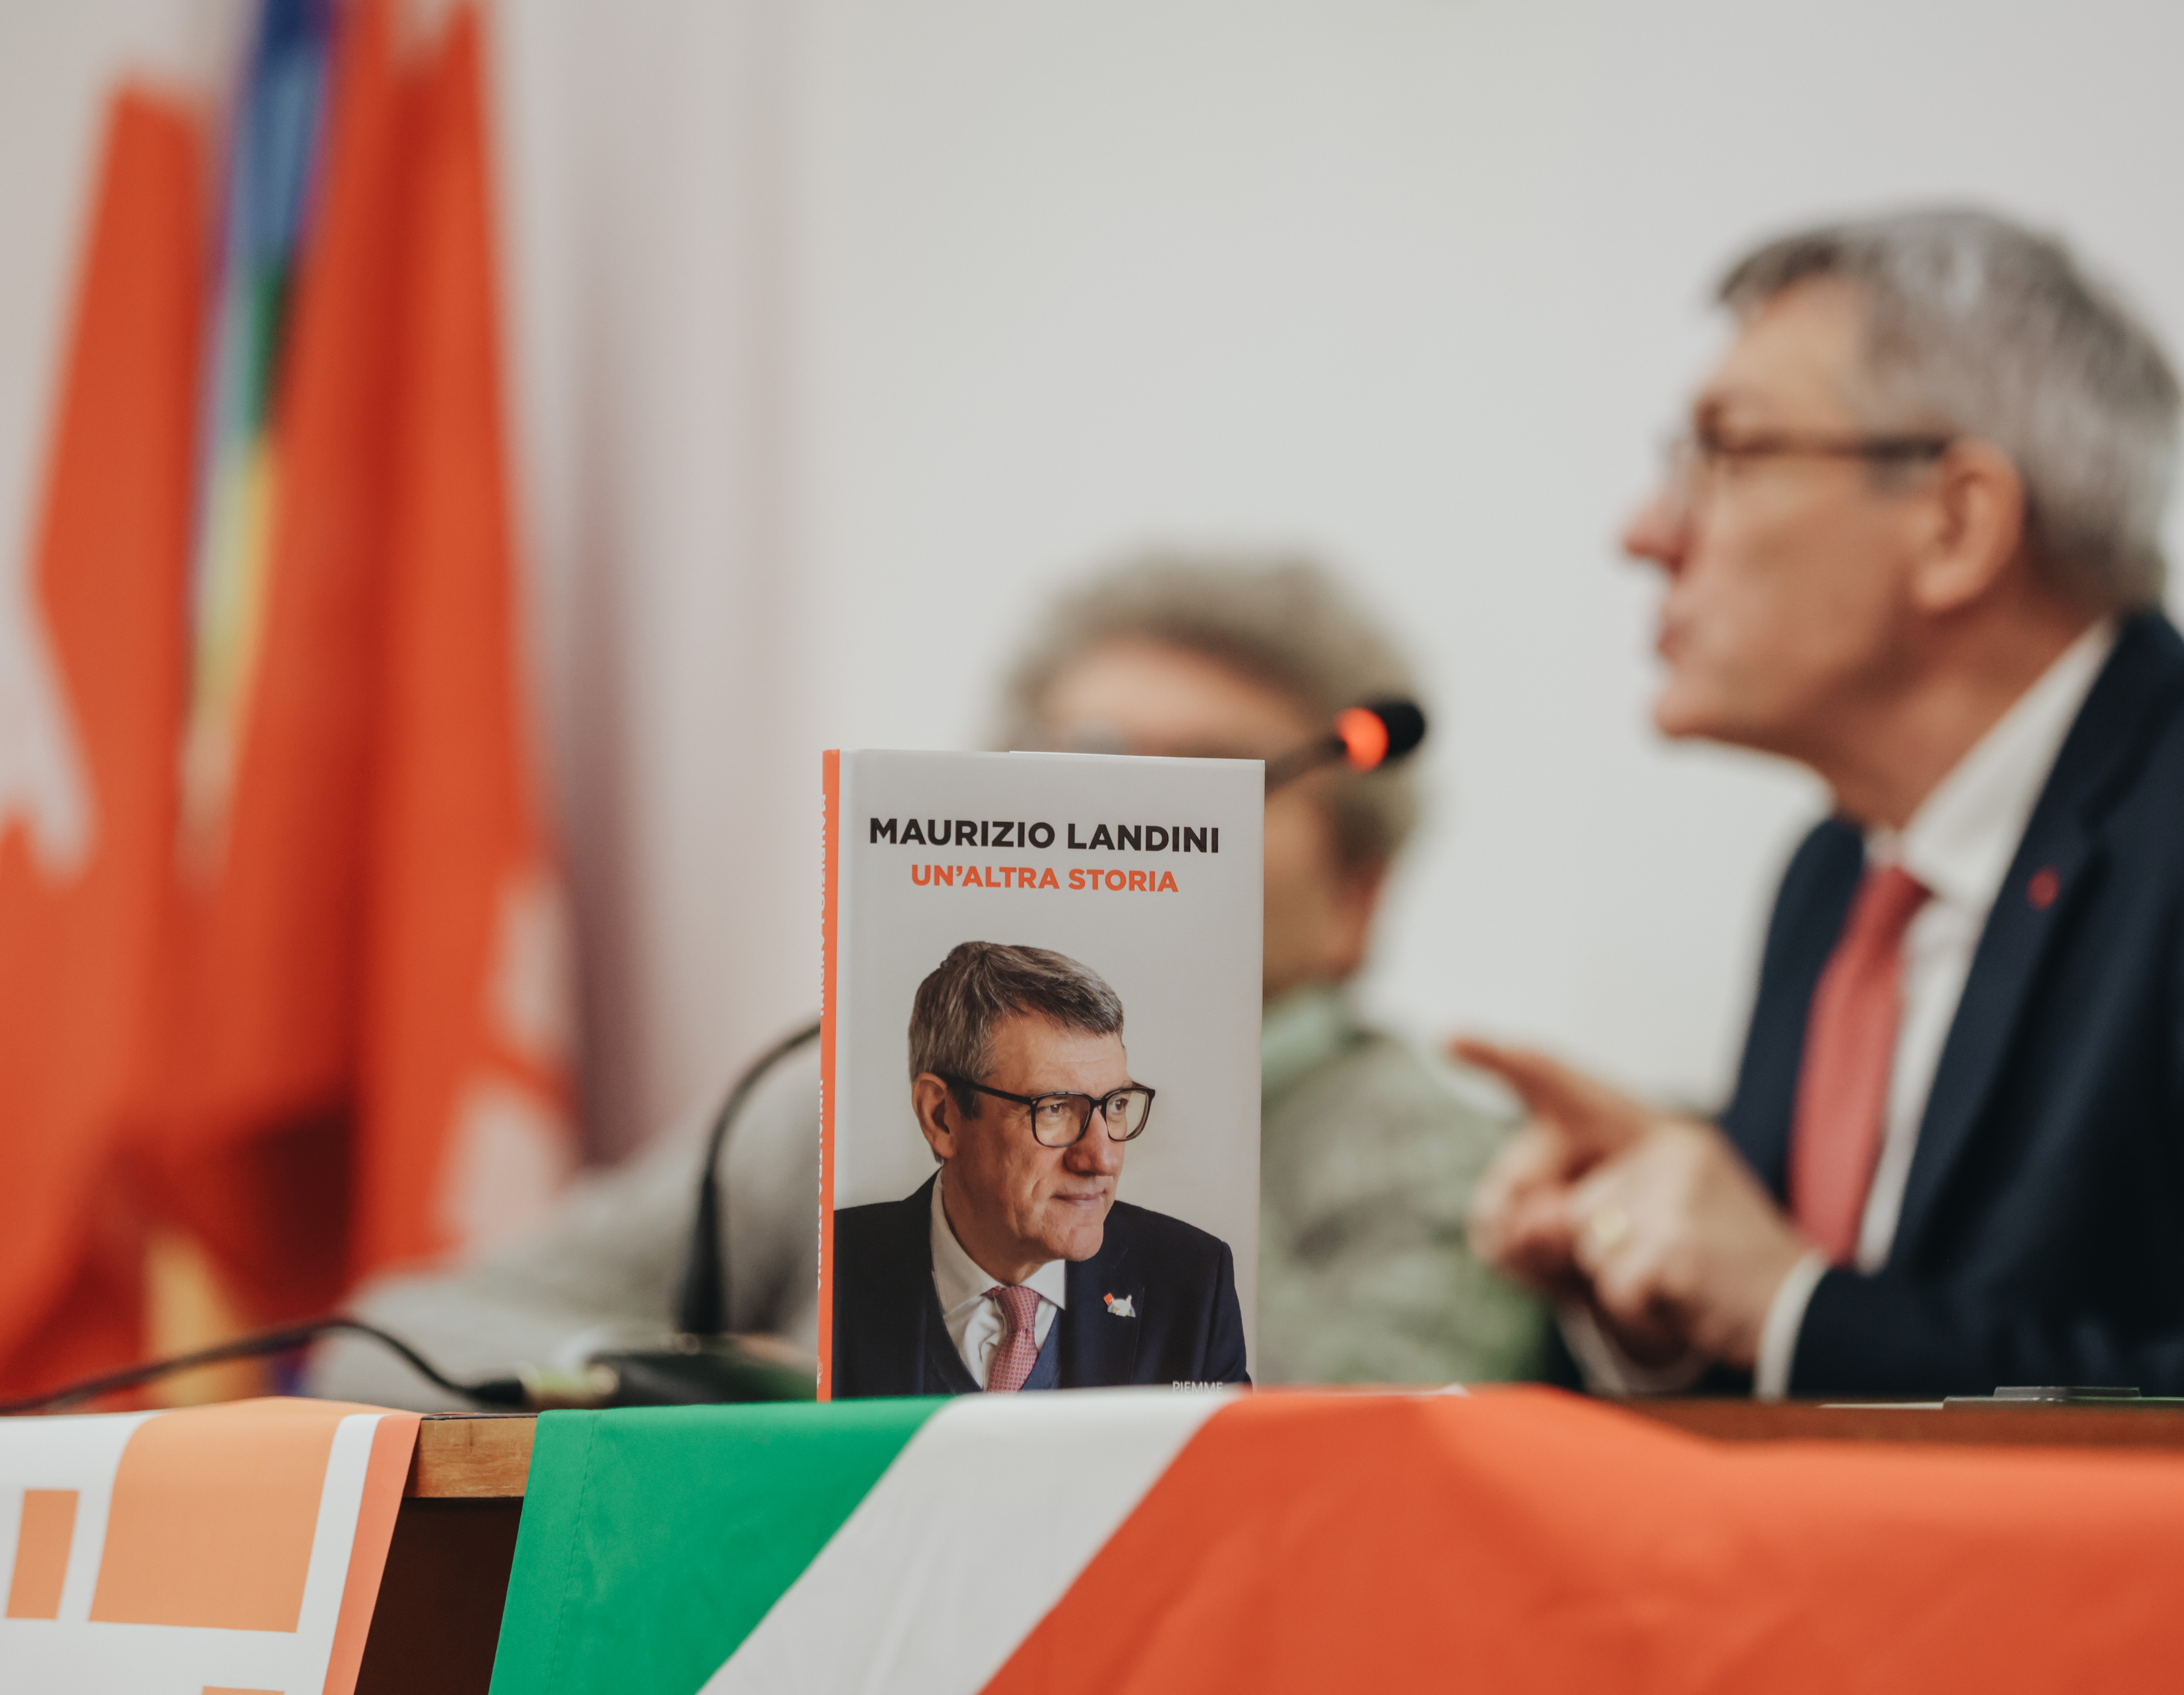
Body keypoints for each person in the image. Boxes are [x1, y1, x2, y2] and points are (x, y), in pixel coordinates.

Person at [1464, 207, 2184, 1405]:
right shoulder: (1834, 871)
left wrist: (1793, 1308)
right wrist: (1650, 1301)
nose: (1647, 532)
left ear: (1957, 524)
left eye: (1729, 452)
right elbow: (1794, 1364)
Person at [307, 554, 1547, 1408]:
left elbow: (1387, 1466)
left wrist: (1161, 1093)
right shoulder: (837, 1101)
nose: (1128, 808)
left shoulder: (1445, 1160)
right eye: (1089, 760)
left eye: (1216, 778)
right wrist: (699, 1391)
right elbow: (391, 1342)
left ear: (1354, 899)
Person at [834, 942, 1246, 1394]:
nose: (1103, 1159)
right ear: (941, 1117)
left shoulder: (1192, 1287)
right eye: (1054, 1108)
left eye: (1116, 1104)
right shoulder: (830, 1275)